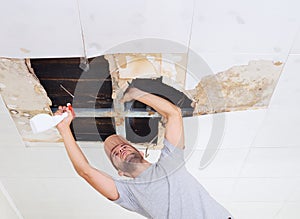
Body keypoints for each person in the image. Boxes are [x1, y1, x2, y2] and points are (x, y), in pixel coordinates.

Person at [55, 87, 233, 219]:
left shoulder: (171, 160)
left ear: (140, 151)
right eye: (114, 154)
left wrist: (135, 93)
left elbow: (174, 114)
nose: (120, 149)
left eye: (123, 146)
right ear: (120, 172)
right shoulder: (129, 193)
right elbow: (85, 171)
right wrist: (64, 129)